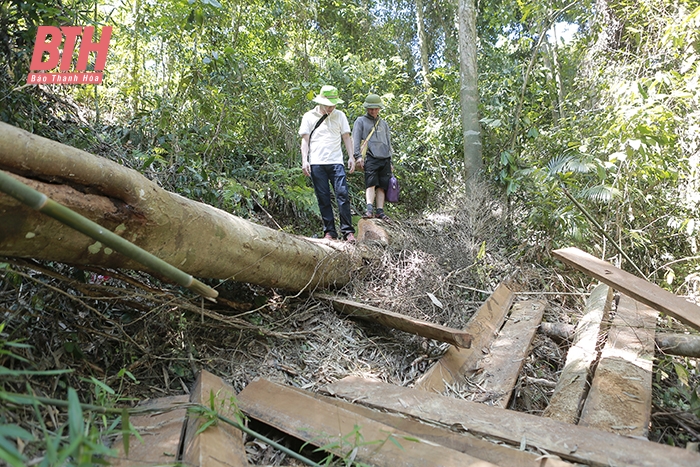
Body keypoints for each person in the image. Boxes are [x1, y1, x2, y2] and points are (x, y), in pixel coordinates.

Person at [299, 85, 356, 243]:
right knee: (323, 198)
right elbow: (305, 140)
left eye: (334, 104)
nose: (332, 107)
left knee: (343, 195)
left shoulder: (340, 115)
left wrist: (351, 156)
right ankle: (330, 232)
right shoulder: (309, 116)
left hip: (336, 162)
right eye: (329, 104)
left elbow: (346, 137)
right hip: (317, 163)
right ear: (321, 101)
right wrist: (305, 160)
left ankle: (348, 231)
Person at [352, 93, 393, 221]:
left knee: (382, 185)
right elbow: (355, 139)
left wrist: (391, 161)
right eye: (371, 108)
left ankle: (380, 211)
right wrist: (358, 156)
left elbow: (388, 142)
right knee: (371, 183)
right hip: (370, 156)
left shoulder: (383, 124)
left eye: (375, 108)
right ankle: (369, 209)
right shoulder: (361, 121)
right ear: (367, 108)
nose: (373, 111)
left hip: (385, 158)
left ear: (379, 108)